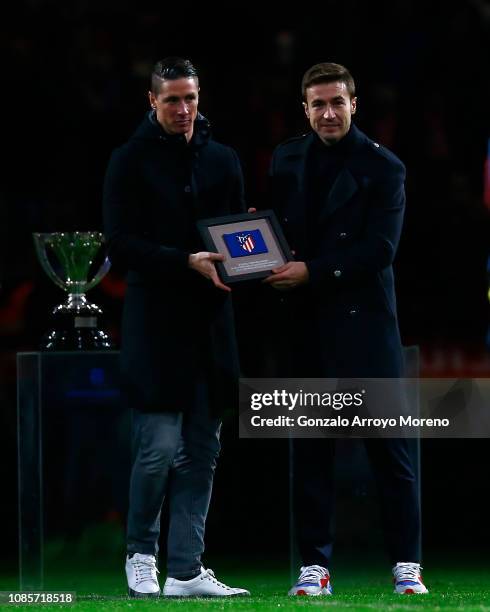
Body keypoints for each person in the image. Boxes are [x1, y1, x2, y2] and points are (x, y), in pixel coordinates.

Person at [264, 62, 428, 596]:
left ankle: (407, 564)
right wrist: (256, 238)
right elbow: (278, 227)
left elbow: (381, 250)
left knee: (390, 450)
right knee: (310, 449)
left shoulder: (386, 168)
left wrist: (311, 270)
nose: (328, 113)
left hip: (364, 327)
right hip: (305, 326)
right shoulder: (286, 157)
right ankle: (314, 565)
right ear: (304, 109)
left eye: (337, 102)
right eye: (318, 104)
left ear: (354, 104)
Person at [103, 57, 249, 598]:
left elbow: (236, 235)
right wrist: (180, 259)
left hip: (211, 324)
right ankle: (141, 553)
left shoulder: (222, 159)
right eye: (172, 100)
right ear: (152, 101)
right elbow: (117, 243)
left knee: (203, 449)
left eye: (190, 98)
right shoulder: (128, 160)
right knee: (159, 448)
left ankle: (185, 570)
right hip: (155, 322)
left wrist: (255, 246)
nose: (184, 109)